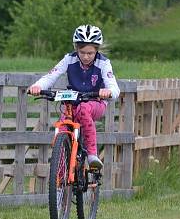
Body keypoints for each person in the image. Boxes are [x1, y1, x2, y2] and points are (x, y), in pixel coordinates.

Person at [27, 25, 120, 169]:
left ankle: (92, 155)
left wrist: (108, 92)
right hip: (73, 102)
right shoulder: (69, 59)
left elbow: (113, 86)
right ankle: (62, 166)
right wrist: (38, 87)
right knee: (63, 126)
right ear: (76, 48)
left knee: (83, 109)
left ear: (97, 50)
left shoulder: (104, 63)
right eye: (82, 52)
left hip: (95, 102)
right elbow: (51, 76)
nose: (86, 56)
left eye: (90, 53)